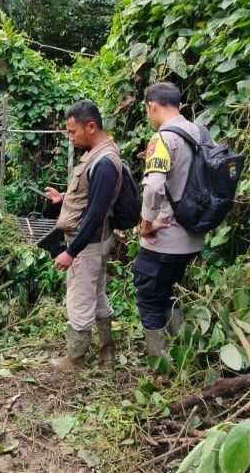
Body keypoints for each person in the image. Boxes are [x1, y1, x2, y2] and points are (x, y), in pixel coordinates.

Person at [43, 100, 121, 371]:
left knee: (78, 300)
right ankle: (107, 353)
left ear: (91, 127)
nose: (70, 137)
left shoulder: (104, 163)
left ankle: (75, 360)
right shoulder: (100, 156)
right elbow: (93, 199)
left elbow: (96, 214)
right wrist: (64, 198)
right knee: (98, 295)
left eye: (73, 132)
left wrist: (71, 251)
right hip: (96, 241)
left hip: (87, 244)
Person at [133, 81, 205, 356]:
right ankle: (184, 355)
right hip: (193, 236)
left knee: (149, 297)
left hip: (164, 237)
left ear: (152, 107)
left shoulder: (162, 139)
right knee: (167, 292)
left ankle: (162, 363)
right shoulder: (201, 133)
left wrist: (146, 223)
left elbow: (153, 186)